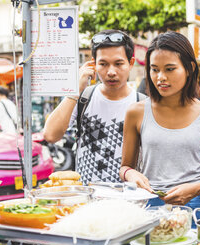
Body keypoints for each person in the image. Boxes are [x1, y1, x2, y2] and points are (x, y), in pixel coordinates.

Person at [120, 31, 200, 211]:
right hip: (148, 208)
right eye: (154, 69)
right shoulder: (136, 112)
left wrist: (195, 189)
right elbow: (125, 167)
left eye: (169, 69)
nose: (160, 77)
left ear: (190, 68)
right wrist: (131, 174)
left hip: (194, 209)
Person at [44, 30, 142, 184]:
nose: (111, 72)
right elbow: (50, 135)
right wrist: (75, 90)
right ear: (93, 64)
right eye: (103, 64)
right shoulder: (83, 98)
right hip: (86, 198)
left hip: (127, 199)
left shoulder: (141, 104)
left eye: (118, 64)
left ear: (130, 63)